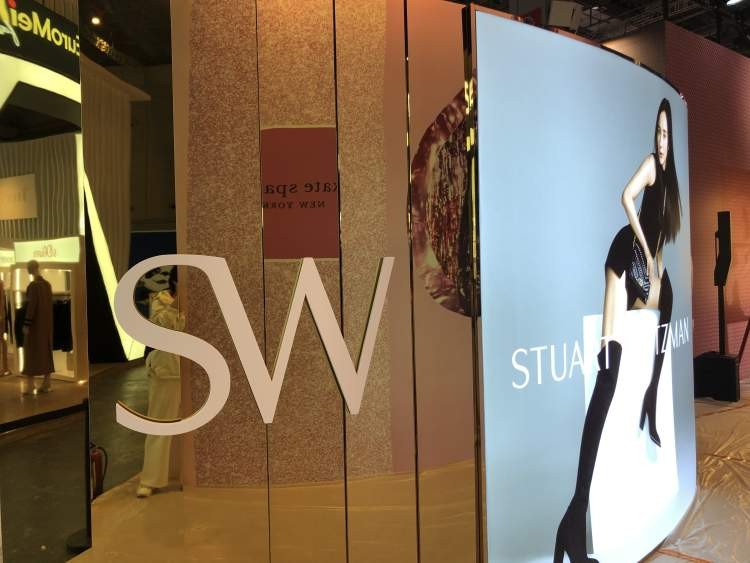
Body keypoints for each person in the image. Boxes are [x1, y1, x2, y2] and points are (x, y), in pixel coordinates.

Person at [554, 99, 682, 563]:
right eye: (658, 133)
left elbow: (663, 243)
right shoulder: (649, 165)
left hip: (646, 267)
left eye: (666, 134)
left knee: (668, 304)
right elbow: (625, 198)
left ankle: (649, 398)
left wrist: (657, 267)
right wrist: (644, 250)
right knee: (608, 373)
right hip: (624, 255)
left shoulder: (671, 184)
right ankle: (574, 519)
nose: (661, 142)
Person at [137, 267, 184, 498]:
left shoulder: (199, 301)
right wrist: (179, 302)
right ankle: (150, 479)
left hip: (194, 370)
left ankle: (181, 474)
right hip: (166, 371)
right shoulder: (161, 300)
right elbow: (161, 326)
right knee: (160, 424)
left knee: (189, 429)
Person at [21, 260, 54, 395]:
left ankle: (30, 386)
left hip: (35, 326)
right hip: (46, 326)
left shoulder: (33, 286)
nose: (27, 269)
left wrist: (26, 324)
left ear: (32, 268)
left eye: (28, 267)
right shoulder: (47, 285)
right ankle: (46, 383)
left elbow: (31, 306)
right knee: (45, 352)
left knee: (30, 353)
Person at [0, 278, 9, 376]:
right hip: (1, 316)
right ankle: (5, 367)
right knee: (2, 341)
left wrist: (1, 316)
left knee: (2, 341)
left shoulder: (0, 283)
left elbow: (2, 301)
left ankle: (5, 367)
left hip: (1, 317)